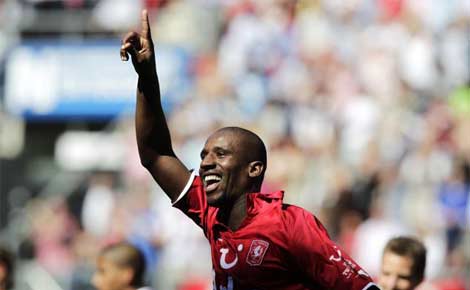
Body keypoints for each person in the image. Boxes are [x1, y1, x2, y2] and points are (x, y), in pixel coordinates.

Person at [120, 10, 380, 290]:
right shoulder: (212, 215)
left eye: (220, 154)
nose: (206, 163)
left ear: (254, 169)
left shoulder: (288, 224)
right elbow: (156, 154)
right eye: (204, 155)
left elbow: (361, 287)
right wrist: (146, 77)